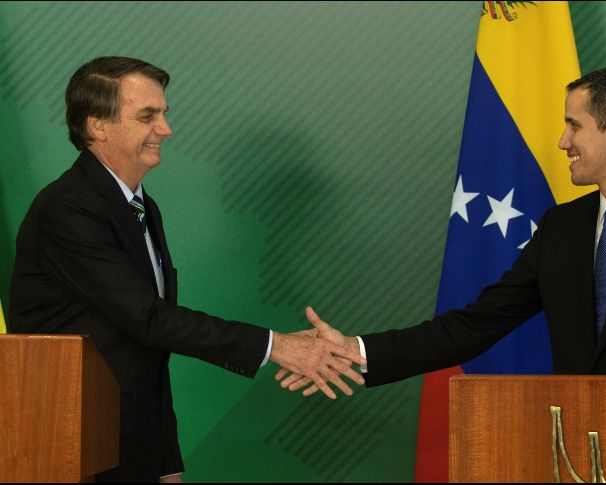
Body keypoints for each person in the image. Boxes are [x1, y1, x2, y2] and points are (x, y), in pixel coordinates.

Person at [277, 66, 606, 396]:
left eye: (574, 126)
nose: (562, 141)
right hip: (570, 451)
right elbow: (475, 324)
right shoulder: (562, 228)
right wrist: (357, 350)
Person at [7, 56, 365, 483]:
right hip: (68, 447)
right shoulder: (67, 208)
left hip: (130, 448)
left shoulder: (140, 206)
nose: (165, 129)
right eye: (147, 116)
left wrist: (167, 463)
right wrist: (279, 347)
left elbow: (146, 353)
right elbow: (150, 319)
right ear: (98, 125)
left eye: (163, 114)